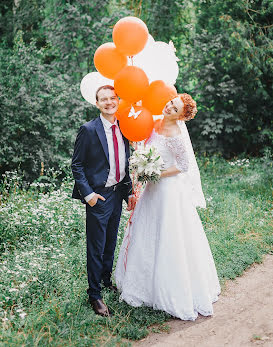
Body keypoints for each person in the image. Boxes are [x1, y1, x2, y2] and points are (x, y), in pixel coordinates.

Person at [115, 93, 221, 320]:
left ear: (181, 116)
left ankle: (169, 290)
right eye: (171, 103)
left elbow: (183, 166)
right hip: (151, 189)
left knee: (168, 235)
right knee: (145, 230)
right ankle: (141, 284)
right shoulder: (154, 123)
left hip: (168, 190)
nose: (168, 107)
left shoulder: (176, 135)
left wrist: (156, 173)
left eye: (174, 109)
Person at [71, 85, 133, 317]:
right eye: (103, 99)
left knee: (110, 242)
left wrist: (128, 192)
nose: (109, 102)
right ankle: (94, 295)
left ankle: (106, 281)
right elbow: (77, 164)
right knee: (96, 246)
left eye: (112, 98)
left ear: (118, 100)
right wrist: (89, 195)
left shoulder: (125, 128)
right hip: (99, 196)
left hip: (118, 194)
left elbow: (125, 163)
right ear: (97, 103)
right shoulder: (88, 130)